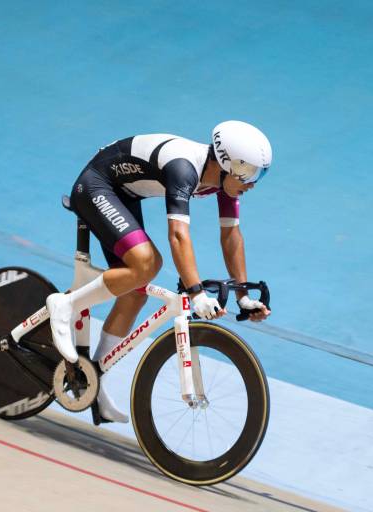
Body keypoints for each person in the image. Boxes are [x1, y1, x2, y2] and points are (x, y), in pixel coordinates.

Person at [47, 120, 273, 423]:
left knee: (134, 294)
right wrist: (196, 293)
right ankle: (65, 305)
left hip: (123, 194)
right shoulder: (184, 168)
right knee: (147, 264)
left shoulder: (222, 181)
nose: (252, 183)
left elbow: (231, 237)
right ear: (226, 164)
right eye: (248, 174)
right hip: (96, 184)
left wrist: (243, 297)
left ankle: (94, 383)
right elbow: (178, 235)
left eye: (258, 174)